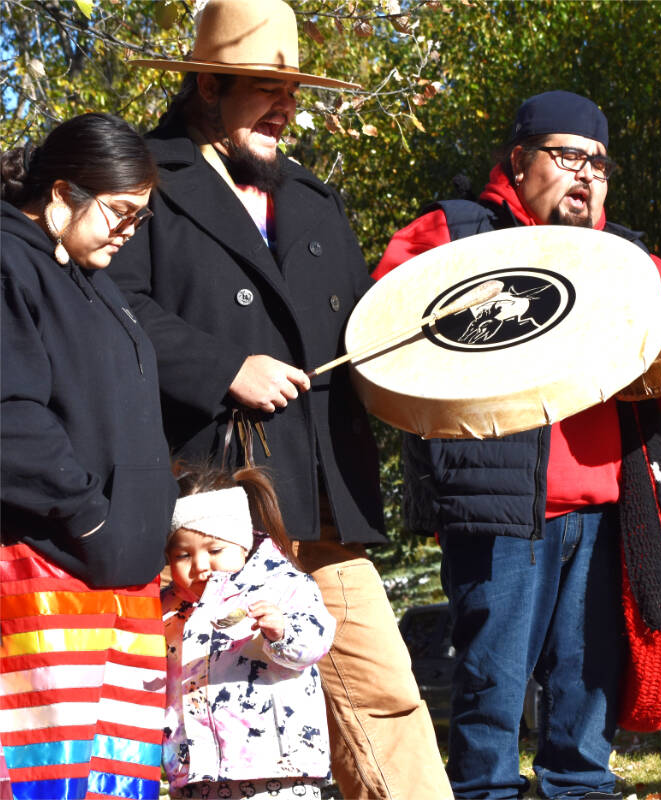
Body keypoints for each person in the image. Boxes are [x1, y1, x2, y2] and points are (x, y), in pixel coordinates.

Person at [107, 1, 450, 797]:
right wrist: (225, 366)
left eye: (292, 88)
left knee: (386, 696)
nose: (287, 105)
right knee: (204, 731)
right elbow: (109, 307)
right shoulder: (143, 181)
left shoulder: (314, 199)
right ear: (206, 85)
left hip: (322, 500)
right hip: (207, 515)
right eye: (265, 86)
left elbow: (369, 330)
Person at [374, 90, 661, 800]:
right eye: (568, 157)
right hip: (499, 509)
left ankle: (580, 791)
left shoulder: (628, 261)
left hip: (607, 509)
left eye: (600, 164)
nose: (587, 176)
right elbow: (388, 339)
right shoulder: (454, 233)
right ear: (519, 161)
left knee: (586, 693)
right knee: (491, 689)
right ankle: (485, 792)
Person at [1, 113, 176, 800]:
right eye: (121, 212)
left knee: (115, 785)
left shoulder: (89, 274)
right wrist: (88, 516)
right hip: (48, 572)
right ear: (62, 194)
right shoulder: (10, 261)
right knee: (51, 784)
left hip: (121, 583)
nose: (132, 230)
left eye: (143, 214)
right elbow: (10, 415)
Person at [162, 464, 335, 799]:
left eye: (214, 551)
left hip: (278, 767)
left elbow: (316, 639)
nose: (200, 566)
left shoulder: (282, 584)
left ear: (242, 543)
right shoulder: (167, 608)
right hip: (196, 770)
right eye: (183, 555)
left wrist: (282, 631)